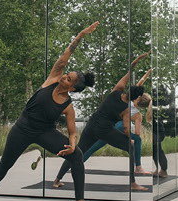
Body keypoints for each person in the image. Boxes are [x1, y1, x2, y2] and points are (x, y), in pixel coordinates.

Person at [0, 21, 101, 201]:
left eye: (68, 79)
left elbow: (73, 132)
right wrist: (81, 35)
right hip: (22, 128)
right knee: (5, 164)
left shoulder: (68, 106)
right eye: (66, 74)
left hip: (44, 132)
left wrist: (72, 144)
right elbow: (66, 55)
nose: (64, 76)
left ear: (72, 88)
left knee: (77, 155)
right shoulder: (52, 79)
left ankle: (79, 200)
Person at [52, 52, 152, 192]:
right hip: (104, 130)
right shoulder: (126, 109)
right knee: (130, 147)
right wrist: (130, 139)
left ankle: (57, 180)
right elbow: (125, 128)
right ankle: (133, 183)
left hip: (92, 124)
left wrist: (138, 60)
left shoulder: (117, 90)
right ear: (135, 98)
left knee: (77, 150)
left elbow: (129, 71)